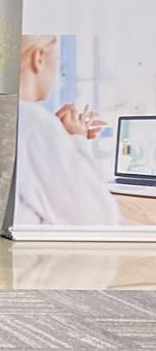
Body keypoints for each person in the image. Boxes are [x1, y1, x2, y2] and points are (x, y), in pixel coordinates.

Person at [15, 35, 122, 226]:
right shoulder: (33, 121)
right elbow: (102, 221)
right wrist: (77, 141)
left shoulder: (9, 115)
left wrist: (62, 141)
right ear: (38, 58)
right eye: (57, 60)